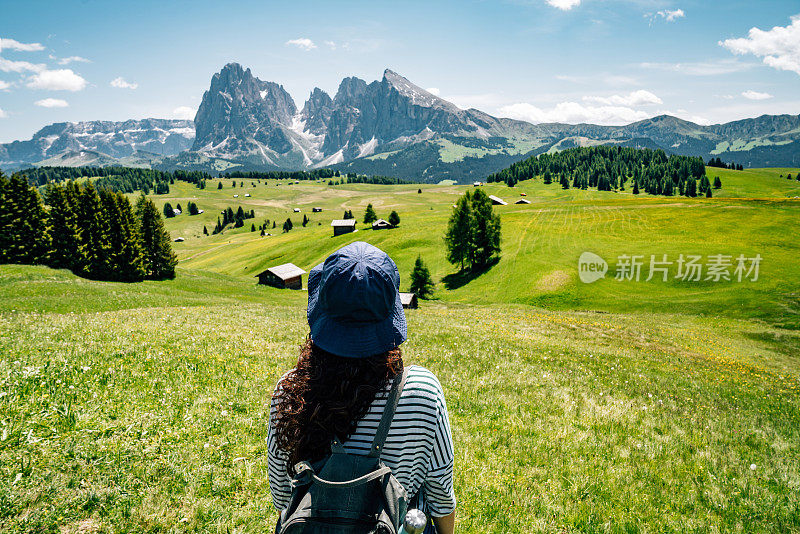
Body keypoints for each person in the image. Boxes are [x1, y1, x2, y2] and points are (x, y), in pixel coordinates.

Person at [267, 241, 456, 534]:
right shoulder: (423, 391)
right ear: (390, 316)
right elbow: (441, 494)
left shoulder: (288, 393)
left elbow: (282, 497)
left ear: (321, 312)